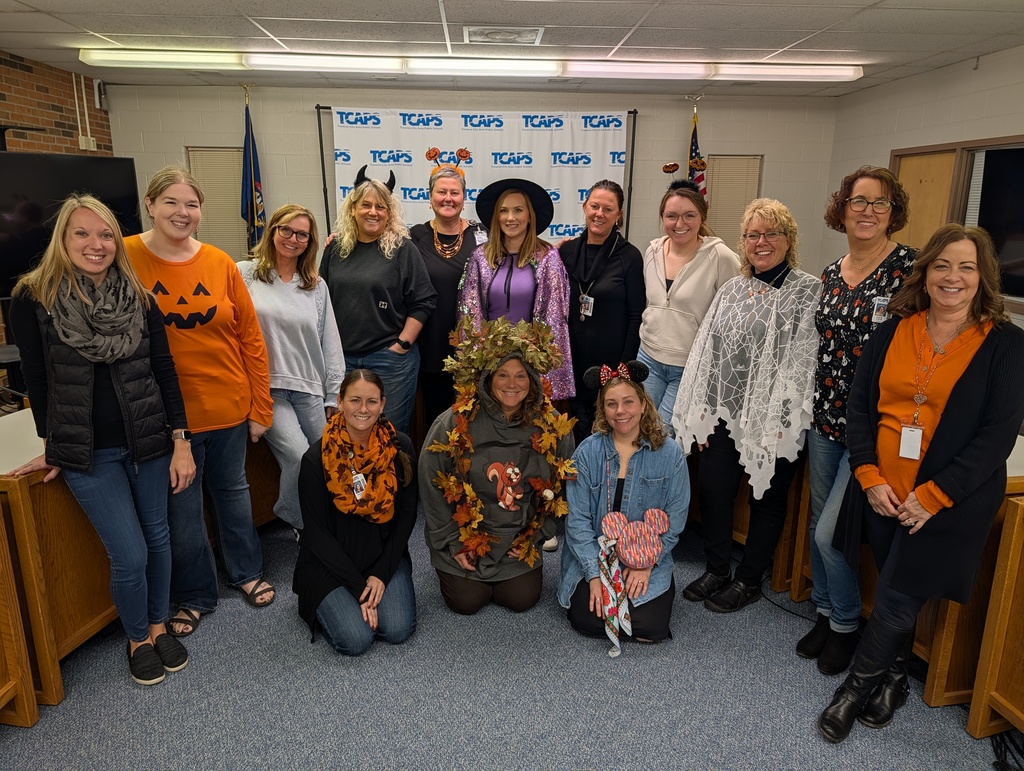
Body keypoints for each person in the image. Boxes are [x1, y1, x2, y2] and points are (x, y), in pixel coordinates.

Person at [817, 224, 1024, 743]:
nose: (953, 277)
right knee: (895, 580)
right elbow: (860, 409)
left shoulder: (1006, 344)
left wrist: (933, 497)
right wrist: (868, 476)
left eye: (967, 267)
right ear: (925, 273)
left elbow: (996, 437)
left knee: (897, 596)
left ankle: (852, 692)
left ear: (983, 277)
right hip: (884, 491)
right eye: (942, 265)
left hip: (950, 499)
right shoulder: (893, 330)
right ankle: (894, 678)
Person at [9, 194, 195, 685]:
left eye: (106, 234)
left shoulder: (139, 298)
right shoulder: (33, 299)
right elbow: (36, 377)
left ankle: (158, 626)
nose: (96, 244)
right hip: (89, 454)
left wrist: (181, 440)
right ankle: (137, 638)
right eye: (82, 233)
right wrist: (52, 443)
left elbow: (164, 371)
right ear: (63, 239)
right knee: (130, 554)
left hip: (149, 440)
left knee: (158, 539)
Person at [126, 165, 275, 638]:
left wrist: (261, 407)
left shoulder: (219, 262)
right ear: (150, 205)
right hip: (166, 418)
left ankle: (246, 571)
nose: (182, 212)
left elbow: (250, 338)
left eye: (191, 204)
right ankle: (194, 595)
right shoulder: (124, 256)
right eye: (171, 202)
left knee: (233, 494)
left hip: (228, 405)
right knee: (182, 510)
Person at [672, 198, 819, 613]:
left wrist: (779, 417)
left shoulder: (807, 290)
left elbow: (805, 360)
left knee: (766, 499)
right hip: (726, 412)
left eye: (771, 233)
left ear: (788, 240)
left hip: (775, 419)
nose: (761, 242)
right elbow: (708, 352)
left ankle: (749, 579)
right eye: (753, 235)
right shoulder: (733, 290)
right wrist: (701, 414)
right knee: (713, 490)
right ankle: (717, 568)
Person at [801, 167, 916, 676]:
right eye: (859, 201)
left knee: (833, 534)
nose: (868, 211)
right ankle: (825, 612)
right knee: (816, 523)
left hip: (874, 427)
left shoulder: (910, 271)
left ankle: (846, 624)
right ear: (842, 208)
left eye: (880, 203)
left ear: (893, 212)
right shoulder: (831, 273)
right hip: (824, 416)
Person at [420, 317, 576, 615]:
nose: (512, 384)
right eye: (502, 375)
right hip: (465, 537)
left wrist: (537, 535)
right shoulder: (453, 421)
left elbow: (565, 486)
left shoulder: (553, 426)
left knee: (521, 599)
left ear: (532, 379)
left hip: (518, 538)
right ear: (488, 378)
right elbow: (430, 482)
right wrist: (452, 542)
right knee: (466, 602)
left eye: (520, 376)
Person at [559, 361, 689, 653]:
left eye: (628, 402)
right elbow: (577, 522)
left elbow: (676, 517)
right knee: (589, 619)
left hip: (645, 553)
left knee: (650, 625)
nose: (621, 411)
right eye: (612, 404)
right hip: (597, 554)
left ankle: (647, 592)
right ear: (603, 409)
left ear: (643, 404)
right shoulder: (587, 453)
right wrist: (594, 573)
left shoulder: (670, 454)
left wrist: (648, 563)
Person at [292, 369, 417, 656]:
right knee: (356, 640)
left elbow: (407, 516)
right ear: (340, 401)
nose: (363, 409)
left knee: (397, 629)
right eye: (355, 400)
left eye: (371, 401)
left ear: (382, 404)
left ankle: (364, 598)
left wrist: (381, 575)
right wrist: (359, 588)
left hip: (383, 555)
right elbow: (316, 535)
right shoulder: (315, 459)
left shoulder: (400, 446)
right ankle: (331, 603)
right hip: (331, 564)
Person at [238, 204, 344, 534]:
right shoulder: (245, 274)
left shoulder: (315, 285)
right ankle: (300, 522)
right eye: (286, 229)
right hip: (267, 391)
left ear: (310, 242)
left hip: (309, 388)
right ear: (273, 230)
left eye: (302, 234)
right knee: (299, 457)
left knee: (328, 460)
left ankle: (324, 521)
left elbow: (329, 341)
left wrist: (333, 394)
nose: (293, 238)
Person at [320, 167, 437, 435]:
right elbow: (320, 300)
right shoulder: (335, 249)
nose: (373, 212)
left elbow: (424, 299)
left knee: (389, 435)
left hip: (389, 360)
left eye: (380, 207)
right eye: (366, 205)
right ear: (353, 209)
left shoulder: (403, 249)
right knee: (345, 435)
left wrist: (402, 344)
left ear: (389, 213)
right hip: (342, 360)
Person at [638, 180, 741, 433]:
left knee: (663, 436)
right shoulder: (652, 252)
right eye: (671, 216)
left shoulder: (721, 257)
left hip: (689, 366)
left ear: (702, 216)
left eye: (689, 215)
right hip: (648, 358)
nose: (679, 223)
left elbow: (734, 320)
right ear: (663, 217)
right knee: (639, 429)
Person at [458, 177, 574, 402]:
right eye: (504, 211)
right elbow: (470, 314)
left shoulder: (548, 258)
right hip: (490, 363)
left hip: (531, 365)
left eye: (518, 210)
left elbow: (555, 319)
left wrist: (542, 364)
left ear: (530, 216)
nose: (510, 218)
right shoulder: (480, 257)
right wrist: (477, 359)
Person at [557, 180, 645, 443]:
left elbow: (636, 315)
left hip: (610, 369)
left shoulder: (629, 256)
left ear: (619, 215)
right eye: (594, 206)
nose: (599, 214)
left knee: (609, 440)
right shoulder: (566, 251)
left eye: (608, 209)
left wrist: (623, 369)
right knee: (574, 440)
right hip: (571, 366)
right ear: (585, 207)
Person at [409, 155, 487, 426]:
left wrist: (556, 248)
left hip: (475, 348)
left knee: (475, 421)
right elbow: (376, 241)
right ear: (430, 197)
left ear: (464, 198)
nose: (448, 198)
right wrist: (339, 238)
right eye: (441, 192)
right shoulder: (415, 236)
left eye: (455, 193)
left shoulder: (483, 235)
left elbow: (518, 247)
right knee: (438, 421)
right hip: (431, 345)